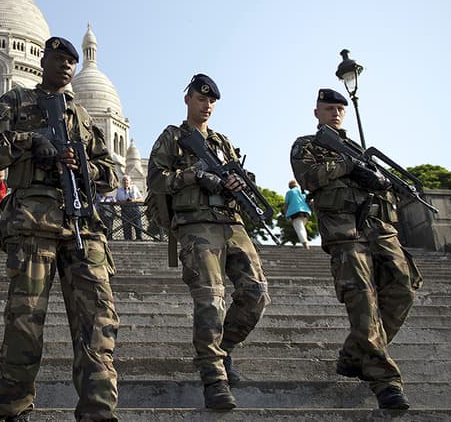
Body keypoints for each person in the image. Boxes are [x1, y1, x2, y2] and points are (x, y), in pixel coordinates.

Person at [0, 36, 120, 422]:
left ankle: (98, 412)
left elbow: (112, 174)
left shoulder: (82, 116)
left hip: (83, 227)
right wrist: (31, 142)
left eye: (72, 61)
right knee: (25, 322)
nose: (67, 66)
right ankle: (11, 409)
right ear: (43, 61)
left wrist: (83, 166)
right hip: (33, 224)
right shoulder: (16, 102)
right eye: (59, 59)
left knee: (99, 323)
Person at [290, 88, 421, 410]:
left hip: (379, 229)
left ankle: (354, 354)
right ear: (316, 112)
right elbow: (309, 177)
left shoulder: (357, 148)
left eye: (340, 109)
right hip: (344, 232)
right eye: (329, 108)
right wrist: (346, 166)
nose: (335, 113)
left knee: (404, 288)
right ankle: (385, 380)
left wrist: (381, 182)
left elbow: (381, 187)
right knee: (362, 299)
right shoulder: (307, 144)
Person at [146, 74, 270, 410]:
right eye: (202, 99)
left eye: (212, 100)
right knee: (210, 300)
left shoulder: (221, 141)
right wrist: (198, 176)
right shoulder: (173, 137)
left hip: (232, 223)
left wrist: (237, 181)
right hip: (196, 224)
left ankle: (223, 349)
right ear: (188, 99)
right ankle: (214, 377)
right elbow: (157, 179)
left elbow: (240, 176)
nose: (208, 105)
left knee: (256, 293)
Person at [283, 179, 312, 248]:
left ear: (290, 186)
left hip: (295, 212)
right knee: (302, 227)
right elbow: (309, 201)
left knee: (299, 228)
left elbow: (286, 205)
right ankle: (305, 241)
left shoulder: (289, 192)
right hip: (306, 212)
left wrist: (285, 214)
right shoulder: (302, 192)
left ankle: (305, 242)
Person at [115, 175, 144, 240]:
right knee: (126, 227)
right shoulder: (119, 190)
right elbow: (117, 200)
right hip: (124, 210)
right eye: (124, 180)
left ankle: (139, 239)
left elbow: (142, 199)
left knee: (138, 226)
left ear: (130, 181)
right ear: (122, 182)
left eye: (127, 180)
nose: (125, 181)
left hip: (134, 209)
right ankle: (128, 240)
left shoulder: (134, 188)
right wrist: (124, 201)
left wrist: (134, 200)